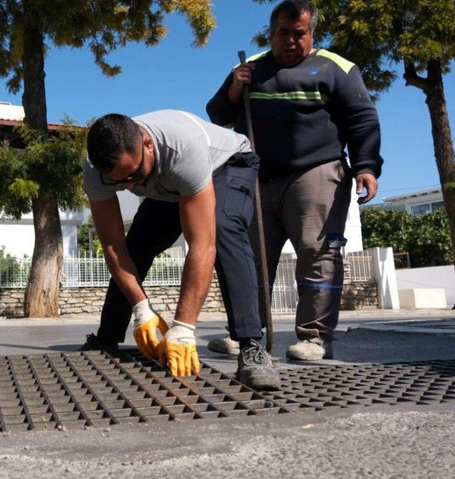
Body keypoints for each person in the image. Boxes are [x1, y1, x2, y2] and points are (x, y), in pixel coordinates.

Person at [206, 0, 382, 361]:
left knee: (318, 254)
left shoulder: (337, 68)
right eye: (282, 33)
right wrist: (235, 90)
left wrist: (366, 166)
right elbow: (217, 114)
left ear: (311, 33)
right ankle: (245, 335)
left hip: (316, 172)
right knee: (249, 258)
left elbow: (362, 120)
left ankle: (315, 338)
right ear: (270, 34)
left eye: (298, 33)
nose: (290, 41)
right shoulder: (249, 68)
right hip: (256, 176)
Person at [80, 111, 280, 390]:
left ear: (147, 144)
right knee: (136, 244)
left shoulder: (183, 147)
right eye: (117, 182)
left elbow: (202, 244)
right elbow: (113, 245)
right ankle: (107, 338)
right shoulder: (95, 170)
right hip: (168, 183)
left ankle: (251, 346)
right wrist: (141, 308)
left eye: (133, 175)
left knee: (223, 228)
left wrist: (184, 327)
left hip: (226, 165)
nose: (129, 186)